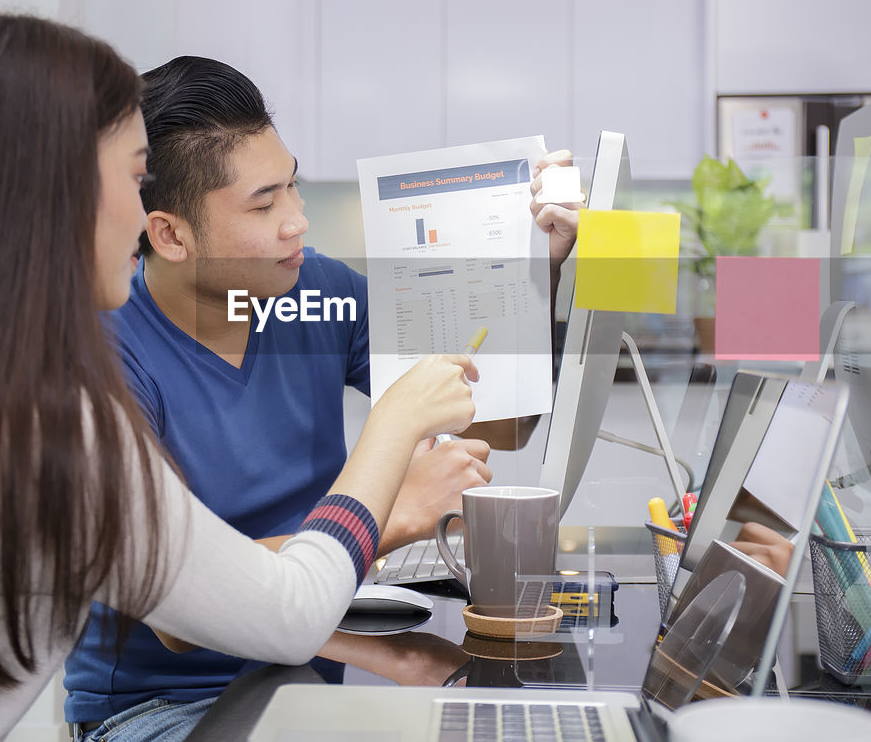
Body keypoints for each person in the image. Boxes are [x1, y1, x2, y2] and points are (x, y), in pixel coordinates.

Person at [0, 14, 478, 741]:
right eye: (134, 178)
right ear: (53, 197)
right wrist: (390, 439)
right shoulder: (59, 420)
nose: (141, 213)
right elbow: (283, 612)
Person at [63, 55, 582, 740]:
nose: (297, 221)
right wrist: (395, 512)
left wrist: (531, 273)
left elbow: (502, 424)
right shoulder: (105, 354)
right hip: (158, 708)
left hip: (298, 671)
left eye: (293, 188)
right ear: (170, 233)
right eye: (264, 202)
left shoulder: (318, 292)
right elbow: (182, 615)